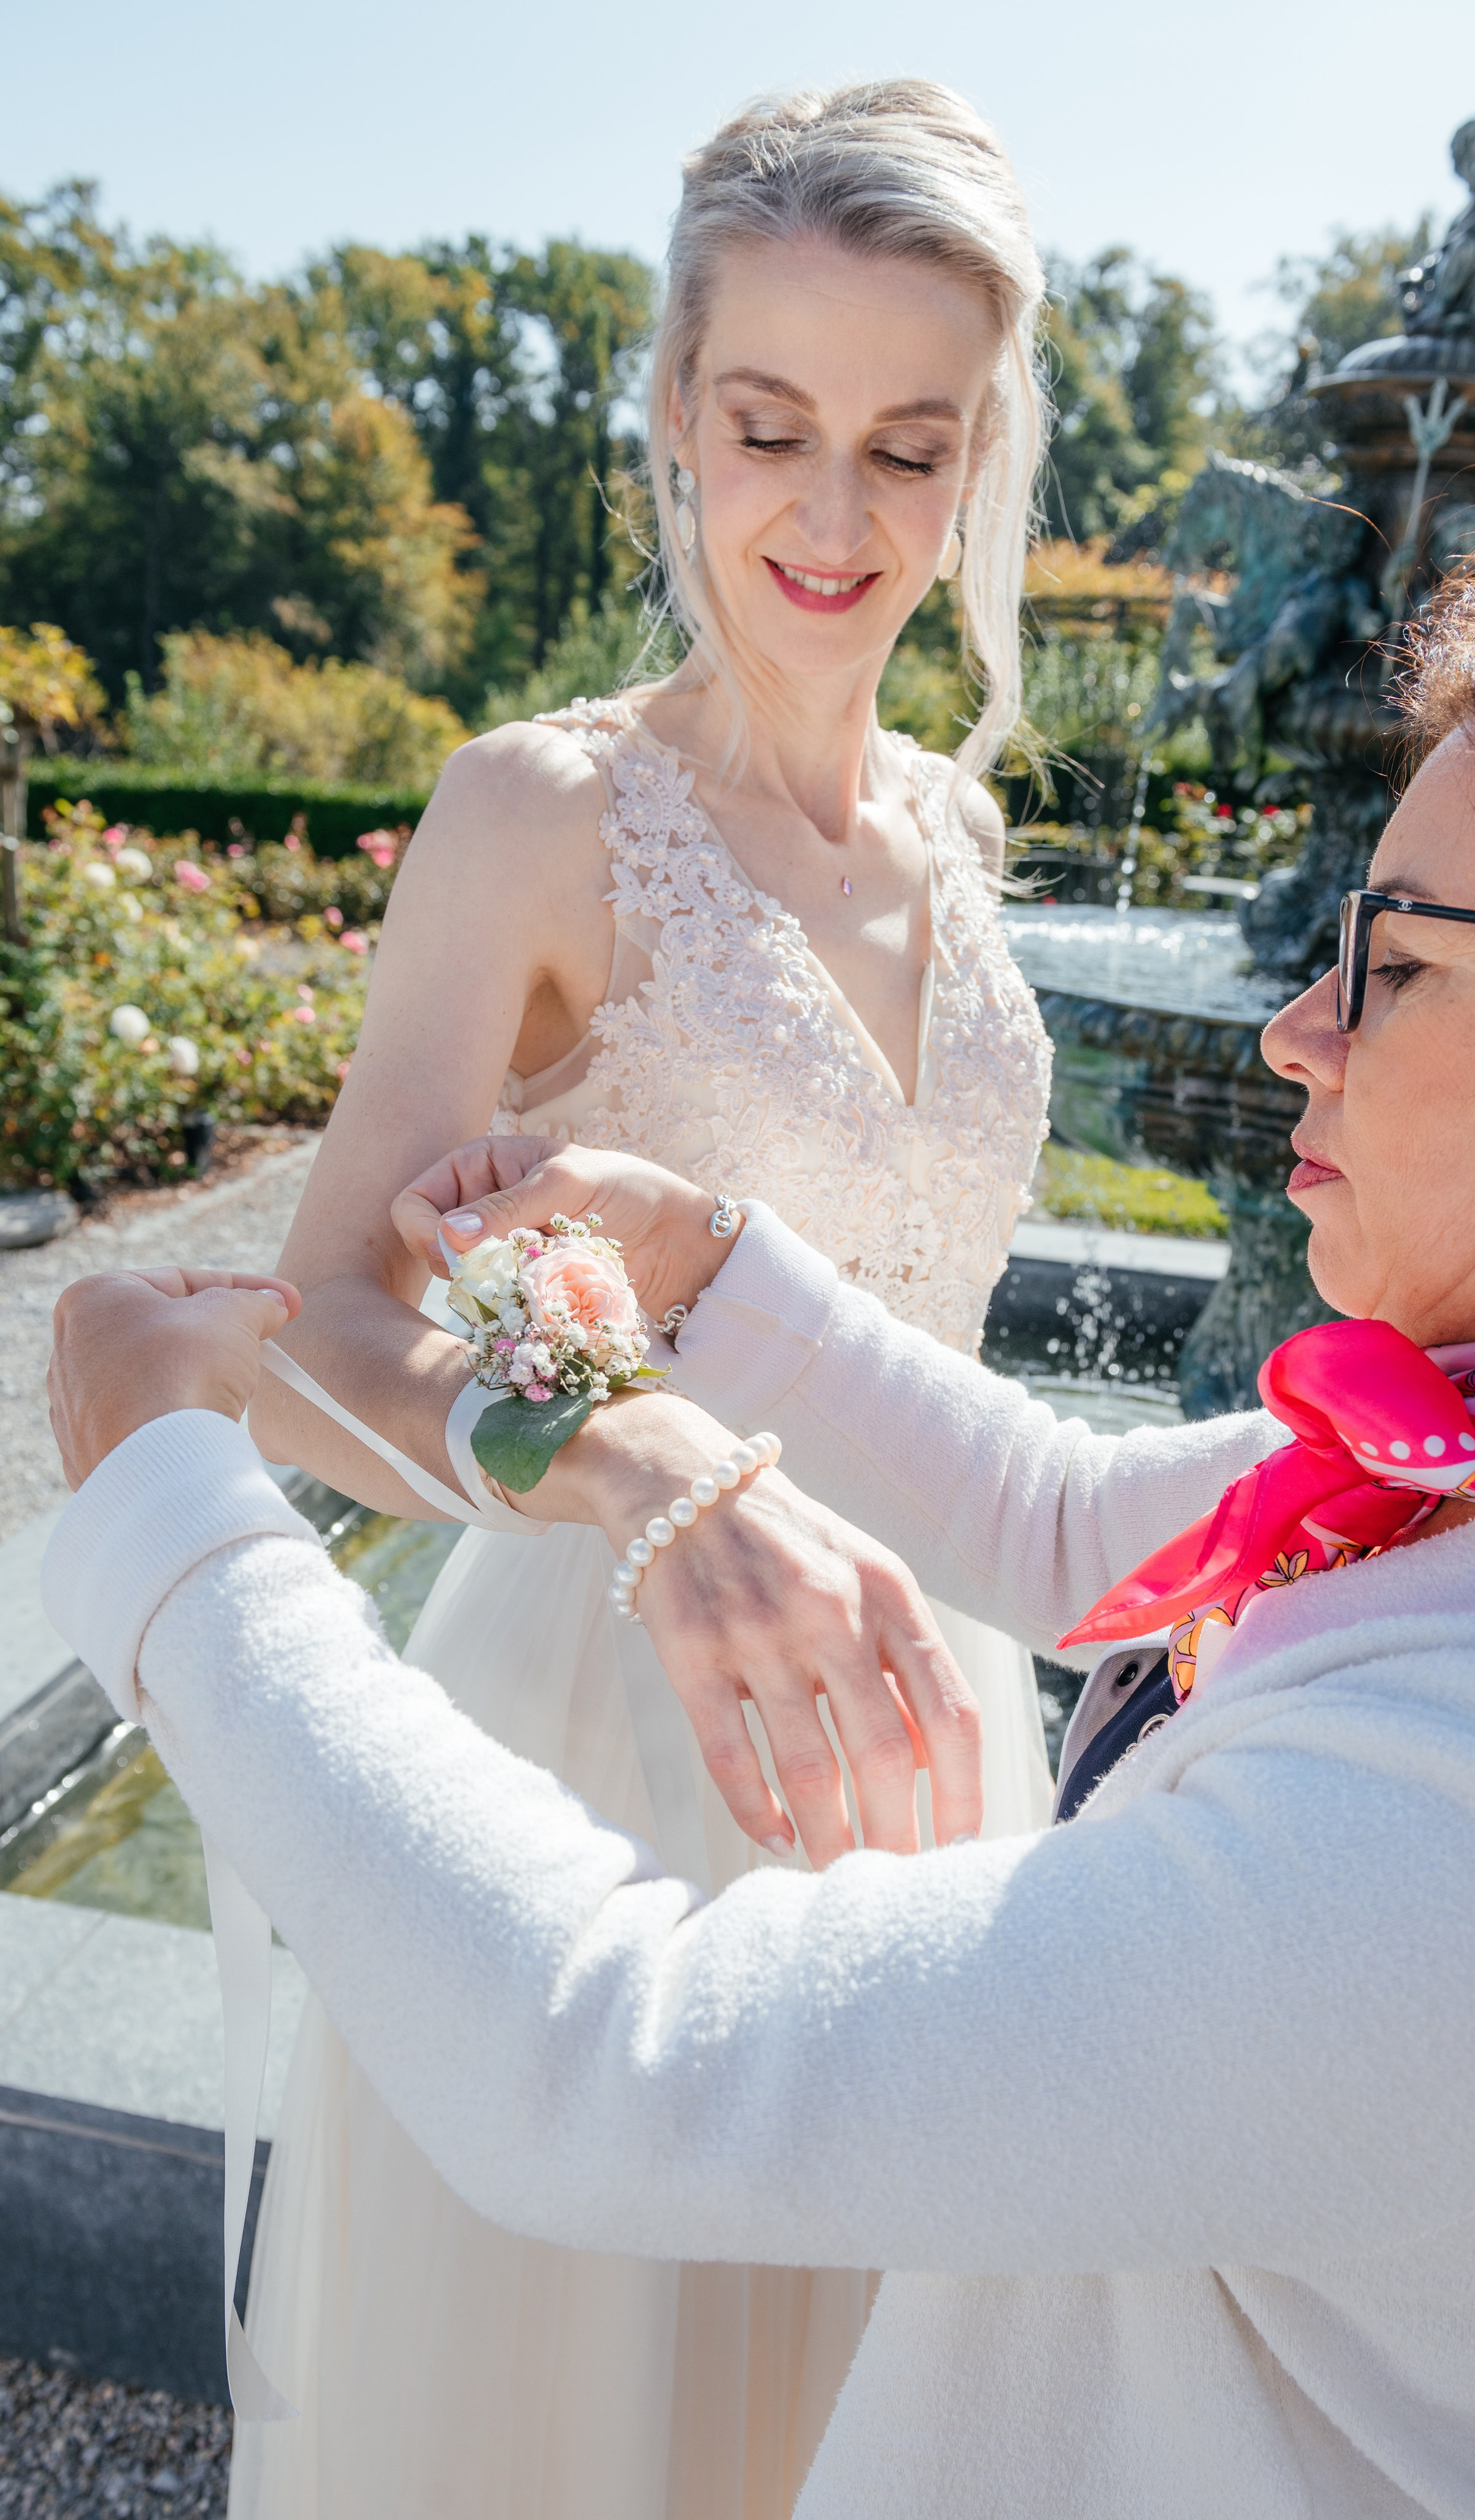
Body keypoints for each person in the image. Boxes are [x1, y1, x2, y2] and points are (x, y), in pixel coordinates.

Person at [45, 488, 1475, 2517]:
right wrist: (710, 1272)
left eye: (1403, 962)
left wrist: (169, 1518)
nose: (1294, 1028)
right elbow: (1088, 1527)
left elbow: (629, 2065)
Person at [236, 79, 1056, 2518]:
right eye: (770, 426)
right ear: (676, 420)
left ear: (980, 456)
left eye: (908, 446)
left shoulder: (962, 834)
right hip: (607, 1743)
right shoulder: (543, 812)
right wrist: (642, 1443)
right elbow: (317, 1339)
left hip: (939, 1742)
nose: (832, 518)